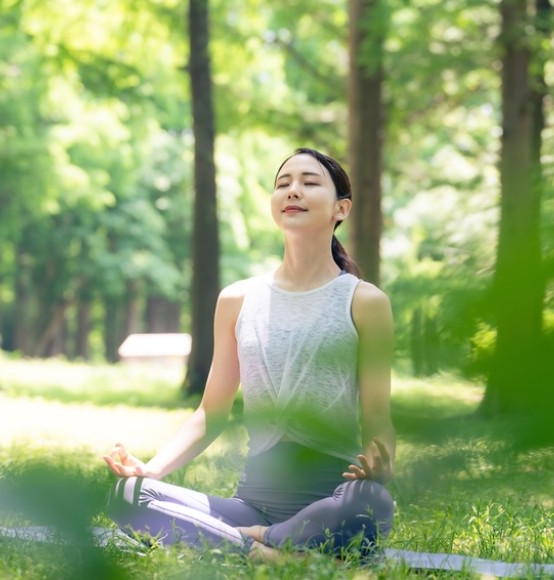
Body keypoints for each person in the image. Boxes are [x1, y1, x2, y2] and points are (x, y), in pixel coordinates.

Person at [102, 147, 396, 560]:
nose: (293, 190)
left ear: (341, 208)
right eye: (283, 183)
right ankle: (269, 553)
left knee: (371, 504)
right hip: (251, 504)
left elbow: (379, 418)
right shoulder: (237, 299)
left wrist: (382, 465)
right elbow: (211, 413)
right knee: (129, 494)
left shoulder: (366, 302)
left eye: (309, 182)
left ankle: (248, 540)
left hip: (331, 501)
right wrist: (151, 470)